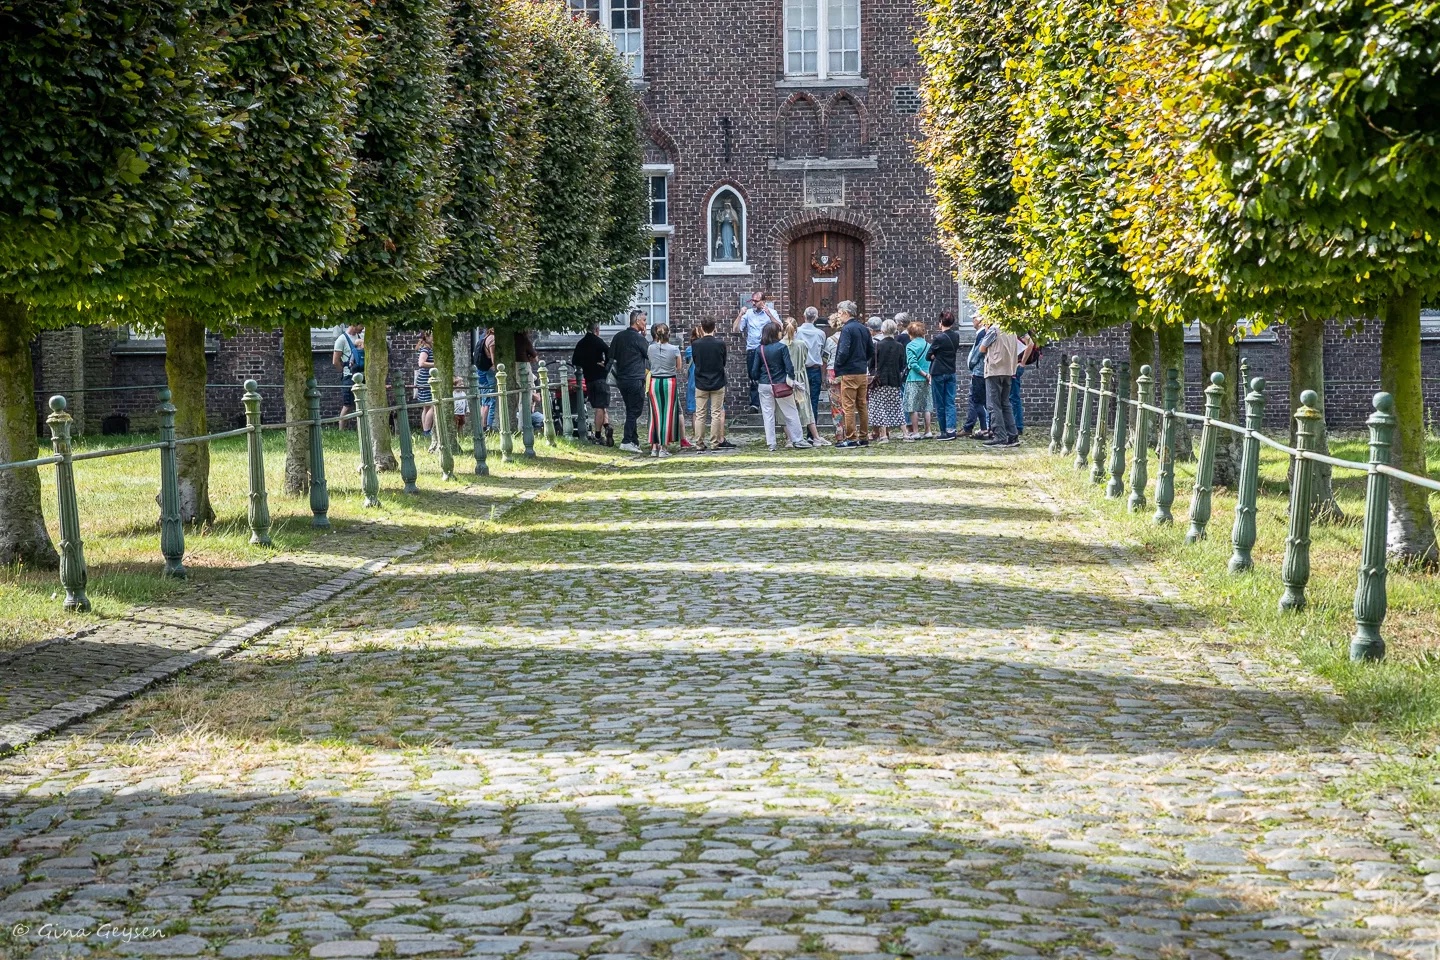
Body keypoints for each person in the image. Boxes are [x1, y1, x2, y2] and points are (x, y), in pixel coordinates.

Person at [749, 321, 809, 451]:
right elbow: (789, 368)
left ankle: (771, 443)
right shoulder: (782, 347)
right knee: (790, 412)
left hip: (764, 385)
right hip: (781, 384)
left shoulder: (760, 349)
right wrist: (791, 380)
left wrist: (761, 377)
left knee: (768, 415)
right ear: (776, 333)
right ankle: (798, 440)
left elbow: (753, 371)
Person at [832, 301, 874, 448]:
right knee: (862, 405)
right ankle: (863, 437)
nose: (838, 316)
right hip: (862, 371)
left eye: (839, 313)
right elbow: (871, 350)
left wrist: (838, 366)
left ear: (845, 313)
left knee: (848, 406)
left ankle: (851, 438)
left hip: (849, 372)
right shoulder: (864, 329)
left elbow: (843, 351)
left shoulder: (847, 329)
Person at [609, 310, 650, 453]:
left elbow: (610, 357)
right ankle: (626, 440)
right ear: (637, 321)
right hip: (635, 378)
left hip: (622, 380)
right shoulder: (639, 339)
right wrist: (644, 338)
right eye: (644, 320)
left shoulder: (618, 337)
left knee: (630, 409)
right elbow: (649, 354)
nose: (645, 323)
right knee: (635, 410)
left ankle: (634, 440)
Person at [784, 318, 829, 447]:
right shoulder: (816, 335)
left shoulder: (784, 343)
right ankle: (813, 436)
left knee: (790, 406)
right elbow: (810, 356)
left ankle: (792, 437)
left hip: (791, 376)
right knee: (809, 404)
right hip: (807, 373)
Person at [734, 292, 778, 412]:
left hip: (767, 348)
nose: (753, 303)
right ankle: (755, 404)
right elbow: (736, 329)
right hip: (753, 349)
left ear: (763, 301)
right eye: (752, 301)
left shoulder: (771, 312)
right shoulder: (748, 313)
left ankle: (771, 402)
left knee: (769, 374)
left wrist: (769, 315)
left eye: (756, 301)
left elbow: (780, 327)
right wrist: (740, 315)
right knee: (753, 376)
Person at [979, 323, 1021, 447]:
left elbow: (982, 348)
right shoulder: (1012, 329)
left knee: (993, 405)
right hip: (1009, 370)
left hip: (994, 370)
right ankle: (1012, 434)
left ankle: (1000, 436)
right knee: (1006, 403)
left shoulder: (994, 330)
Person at [646, 323, 683, 457]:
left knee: (655, 414)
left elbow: (650, 362)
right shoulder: (674, 349)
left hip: (654, 382)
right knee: (667, 415)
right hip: (669, 381)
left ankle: (654, 447)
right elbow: (679, 367)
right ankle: (663, 447)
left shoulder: (650, 348)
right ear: (668, 334)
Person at [572, 321, 611, 445]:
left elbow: (575, 361)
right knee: (601, 406)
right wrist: (604, 364)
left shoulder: (581, 343)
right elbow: (610, 352)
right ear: (597, 330)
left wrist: (587, 364)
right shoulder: (598, 341)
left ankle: (607, 426)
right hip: (600, 378)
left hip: (589, 379)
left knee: (600, 405)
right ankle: (599, 435)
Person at [690, 318, 727, 450]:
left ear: (702, 327)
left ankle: (699, 443)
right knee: (716, 414)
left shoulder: (695, 344)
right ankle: (714, 442)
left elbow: (695, 361)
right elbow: (724, 362)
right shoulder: (720, 344)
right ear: (714, 328)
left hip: (701, 382)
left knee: (700, 414)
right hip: (718, 381)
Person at [867, 319, 907, 442]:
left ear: (883, 330)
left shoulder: (877, 345)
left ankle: (883, 435)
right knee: (897, 407)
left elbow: (871, 364)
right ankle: (905, 434)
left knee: (880, 407)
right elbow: (903, 364)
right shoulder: (899, 346)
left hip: (879, 380)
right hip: (895, 380)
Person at [926, 310, 961, 440]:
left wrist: (936, 355)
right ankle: (951, 429)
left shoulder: (939, 338)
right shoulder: (956, 336)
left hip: (938, 372)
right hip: (951, 371)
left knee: (940, 403)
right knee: (950, 402)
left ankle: (943, 431)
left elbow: (928, 356)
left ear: (941, 322)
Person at [961, 313, 992, 439]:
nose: (972, 320)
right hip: (979, 371)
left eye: (974, 318)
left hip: (979, 372)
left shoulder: (982, 333)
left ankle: (985, 428)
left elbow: (978, 352)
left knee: (978, 400)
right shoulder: (982, 333)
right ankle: (983, 427)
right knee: (979, 400)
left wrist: (971, 364)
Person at [903, 320, 934, 440]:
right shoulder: (928, 345)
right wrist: (927, 374)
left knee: (913, 406)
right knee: (927, 405)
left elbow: (913, 364)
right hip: (927, 378)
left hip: (914, 379)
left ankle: (915, 432)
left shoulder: (910, 346)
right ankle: (928, 431)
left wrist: (922, 373)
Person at [796, 307, 827, 423]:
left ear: (804, 316)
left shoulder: (797, 332)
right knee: (813, 401)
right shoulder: (821, 334)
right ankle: (811, 433)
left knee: (798, 401)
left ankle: (798, 431)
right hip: (815, 369)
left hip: (800, 370)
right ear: (816, 318)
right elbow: (822, 351)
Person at [332, 323, 365, 429]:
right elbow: (335, 361)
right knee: (348, 404)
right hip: (349, 377)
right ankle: (341, 430)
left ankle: (363, 428)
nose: (363, 328)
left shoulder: (361, 337)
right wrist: (345, 371)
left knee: (364, 403)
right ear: (354, 324)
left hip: (361, 375)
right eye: (361, 325)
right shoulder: (341, 340)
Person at [1011, 333, 1038, 436]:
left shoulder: (1018, 328)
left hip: (1016, 366)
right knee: (1012, 397)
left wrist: (1022, 363)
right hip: (1013, 365)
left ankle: (1018, 426)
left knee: (1014, 397)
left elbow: (1030, 344)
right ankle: (1015, 426)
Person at [414, 330, 436, 450]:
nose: (433, 338)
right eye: (432, 336)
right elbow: (421, 363)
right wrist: (435, 364)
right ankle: (427, 431)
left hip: (424, 379)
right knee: (432, 405)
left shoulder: (425, 347)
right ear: (426, 337)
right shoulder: (425, 349)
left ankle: (425, 430)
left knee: (426, 406)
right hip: (426, 379)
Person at [824, 316, 844, 443]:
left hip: (832, 371)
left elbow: (825, 358)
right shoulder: (849, 338)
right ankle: (850, 431)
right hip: (846, 371)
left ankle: (839, 432)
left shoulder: (830, 340)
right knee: (848, 403)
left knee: (836, 405)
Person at [473, 328, 497, 431]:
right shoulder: (491, 339)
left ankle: (482, 426)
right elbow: (493, 357)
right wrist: (496, 368)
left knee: (484, 401)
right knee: (491, 400)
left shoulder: (482, 338)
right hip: (489, 371)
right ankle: (489, 426)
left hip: (480, 370)